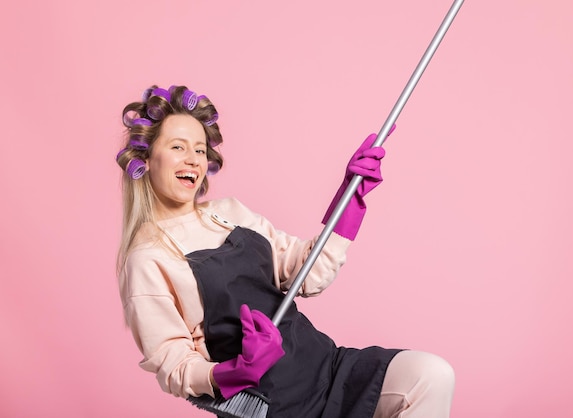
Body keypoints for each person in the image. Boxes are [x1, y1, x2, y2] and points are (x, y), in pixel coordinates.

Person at [116, 84, 455, 418]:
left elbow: (307, 276)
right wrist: (234, 371)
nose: (193, 159)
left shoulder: (230, 213)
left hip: (327, 370)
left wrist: (349, 199)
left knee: (430, 376)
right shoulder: (147, 258)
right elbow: (174, 364)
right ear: (146, 158)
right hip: (268, 406)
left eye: (200, 150)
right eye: (178, 147)